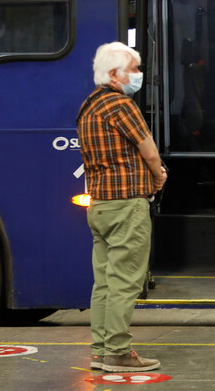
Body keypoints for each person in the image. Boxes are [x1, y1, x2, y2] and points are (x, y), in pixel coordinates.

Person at [77, 42, 167, 373]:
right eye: (134, 69)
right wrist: (159, 177)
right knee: (126, 280)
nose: (139, 75)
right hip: (127, 203)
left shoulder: (88, 106)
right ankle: (117, 350)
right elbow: (150, 152)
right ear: (115, 74)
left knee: (104, 281)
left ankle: (100, 350)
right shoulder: (121, 106)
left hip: (100, 204)